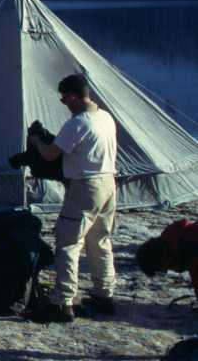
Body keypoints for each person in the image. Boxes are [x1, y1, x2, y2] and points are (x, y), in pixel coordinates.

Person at [30, 73, 118, 323]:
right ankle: (104, 295)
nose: (64, 103)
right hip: (108, 182)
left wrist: (37, 141)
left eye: (64, 98)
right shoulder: (106, 117)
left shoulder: (77, 123)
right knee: (100, 241)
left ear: (72, 96)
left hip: (85, 186)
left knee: (69, 241)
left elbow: (50, 154)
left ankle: (63, 301)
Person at [136, 219, 198, 301]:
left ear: (164, 259)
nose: (171, 269)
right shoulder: (175, 237)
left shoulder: (191, 249)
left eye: (163, 268)